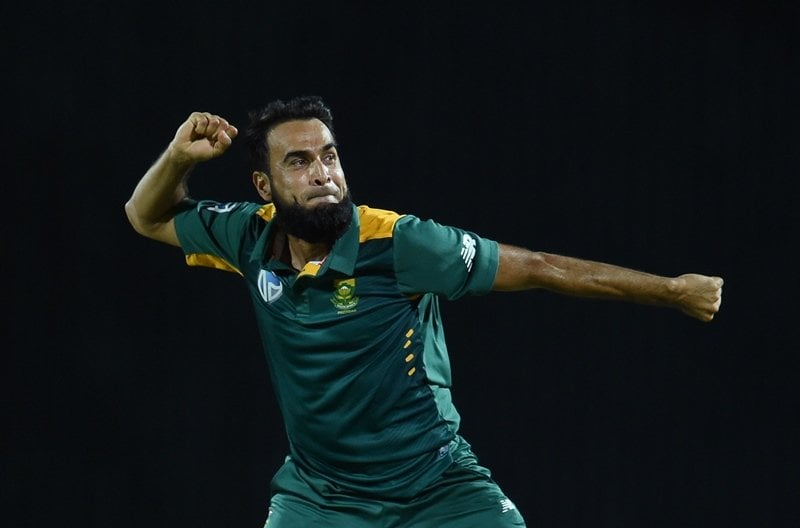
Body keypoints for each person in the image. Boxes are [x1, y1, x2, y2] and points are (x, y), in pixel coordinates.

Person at [124, 95, 723, 527]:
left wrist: (671, 290)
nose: (324, 175)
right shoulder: (247, 236)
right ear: (264, 186)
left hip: (436, 489)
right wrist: (180, 157)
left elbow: (541, 266)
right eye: (299, 163)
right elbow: (145, 216)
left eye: (329, 156)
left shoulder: (401, 243)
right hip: (320, 500)